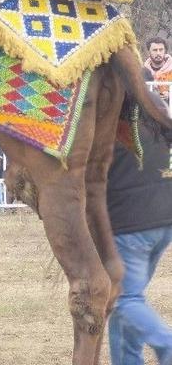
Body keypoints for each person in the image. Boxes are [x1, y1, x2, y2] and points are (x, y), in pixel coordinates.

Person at [106, 86, 172, 365]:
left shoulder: (105, 120)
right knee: (128, 302)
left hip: (129, 224)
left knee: (124, 298)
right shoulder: (155, 114)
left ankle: (167, 345)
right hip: (163, 221)